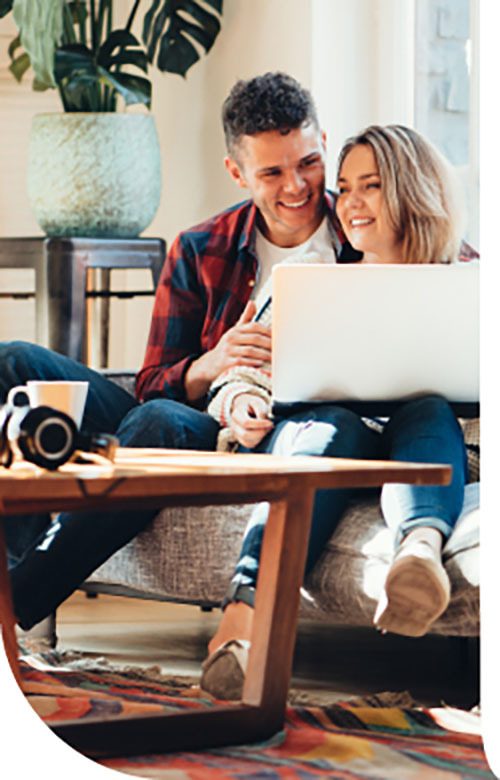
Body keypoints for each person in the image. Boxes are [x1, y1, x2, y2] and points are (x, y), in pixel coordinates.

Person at [1, 72, 362, 640]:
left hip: (265, 429)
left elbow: (449, 262)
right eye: (272, 172)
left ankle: (19, 600)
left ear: (324, 143)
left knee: (156, 421)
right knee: (12, 361)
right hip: (192, 410)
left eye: (309, 162)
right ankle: (18, 575)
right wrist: (210, 364)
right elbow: (152, 382)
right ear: (236, 173)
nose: (297, 186)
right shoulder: (201, 246)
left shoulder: (366, 232)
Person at [199, 124, 475, 701]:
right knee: (336, 420)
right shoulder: (310, 281)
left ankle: (418, 555)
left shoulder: (465, 285)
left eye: (370, 186)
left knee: (426, 408)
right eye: (344, 186)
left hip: (421, 448)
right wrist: (240, 401)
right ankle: (243, 621)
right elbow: (241, 371)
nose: (349, 202)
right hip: (317, 441)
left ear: (413, 190)